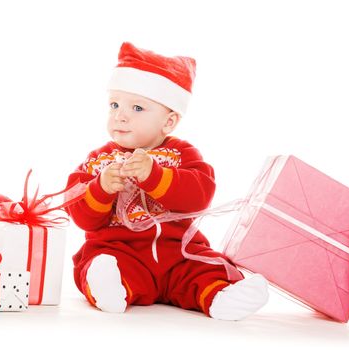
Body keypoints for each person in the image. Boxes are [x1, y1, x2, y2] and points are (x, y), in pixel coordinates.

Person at [66, 42, 269, 320]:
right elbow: (80, 214)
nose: (120, 115)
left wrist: (155, 175)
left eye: (137, 107)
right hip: (122, 252)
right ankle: (109, 286)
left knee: (205, 268)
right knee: (99, 262)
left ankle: (221, 296)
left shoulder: (181, 154)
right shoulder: (98, 160)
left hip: (178, 254)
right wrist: (100, 188)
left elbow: (199, 195)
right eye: (114, 104)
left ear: (169, 121)